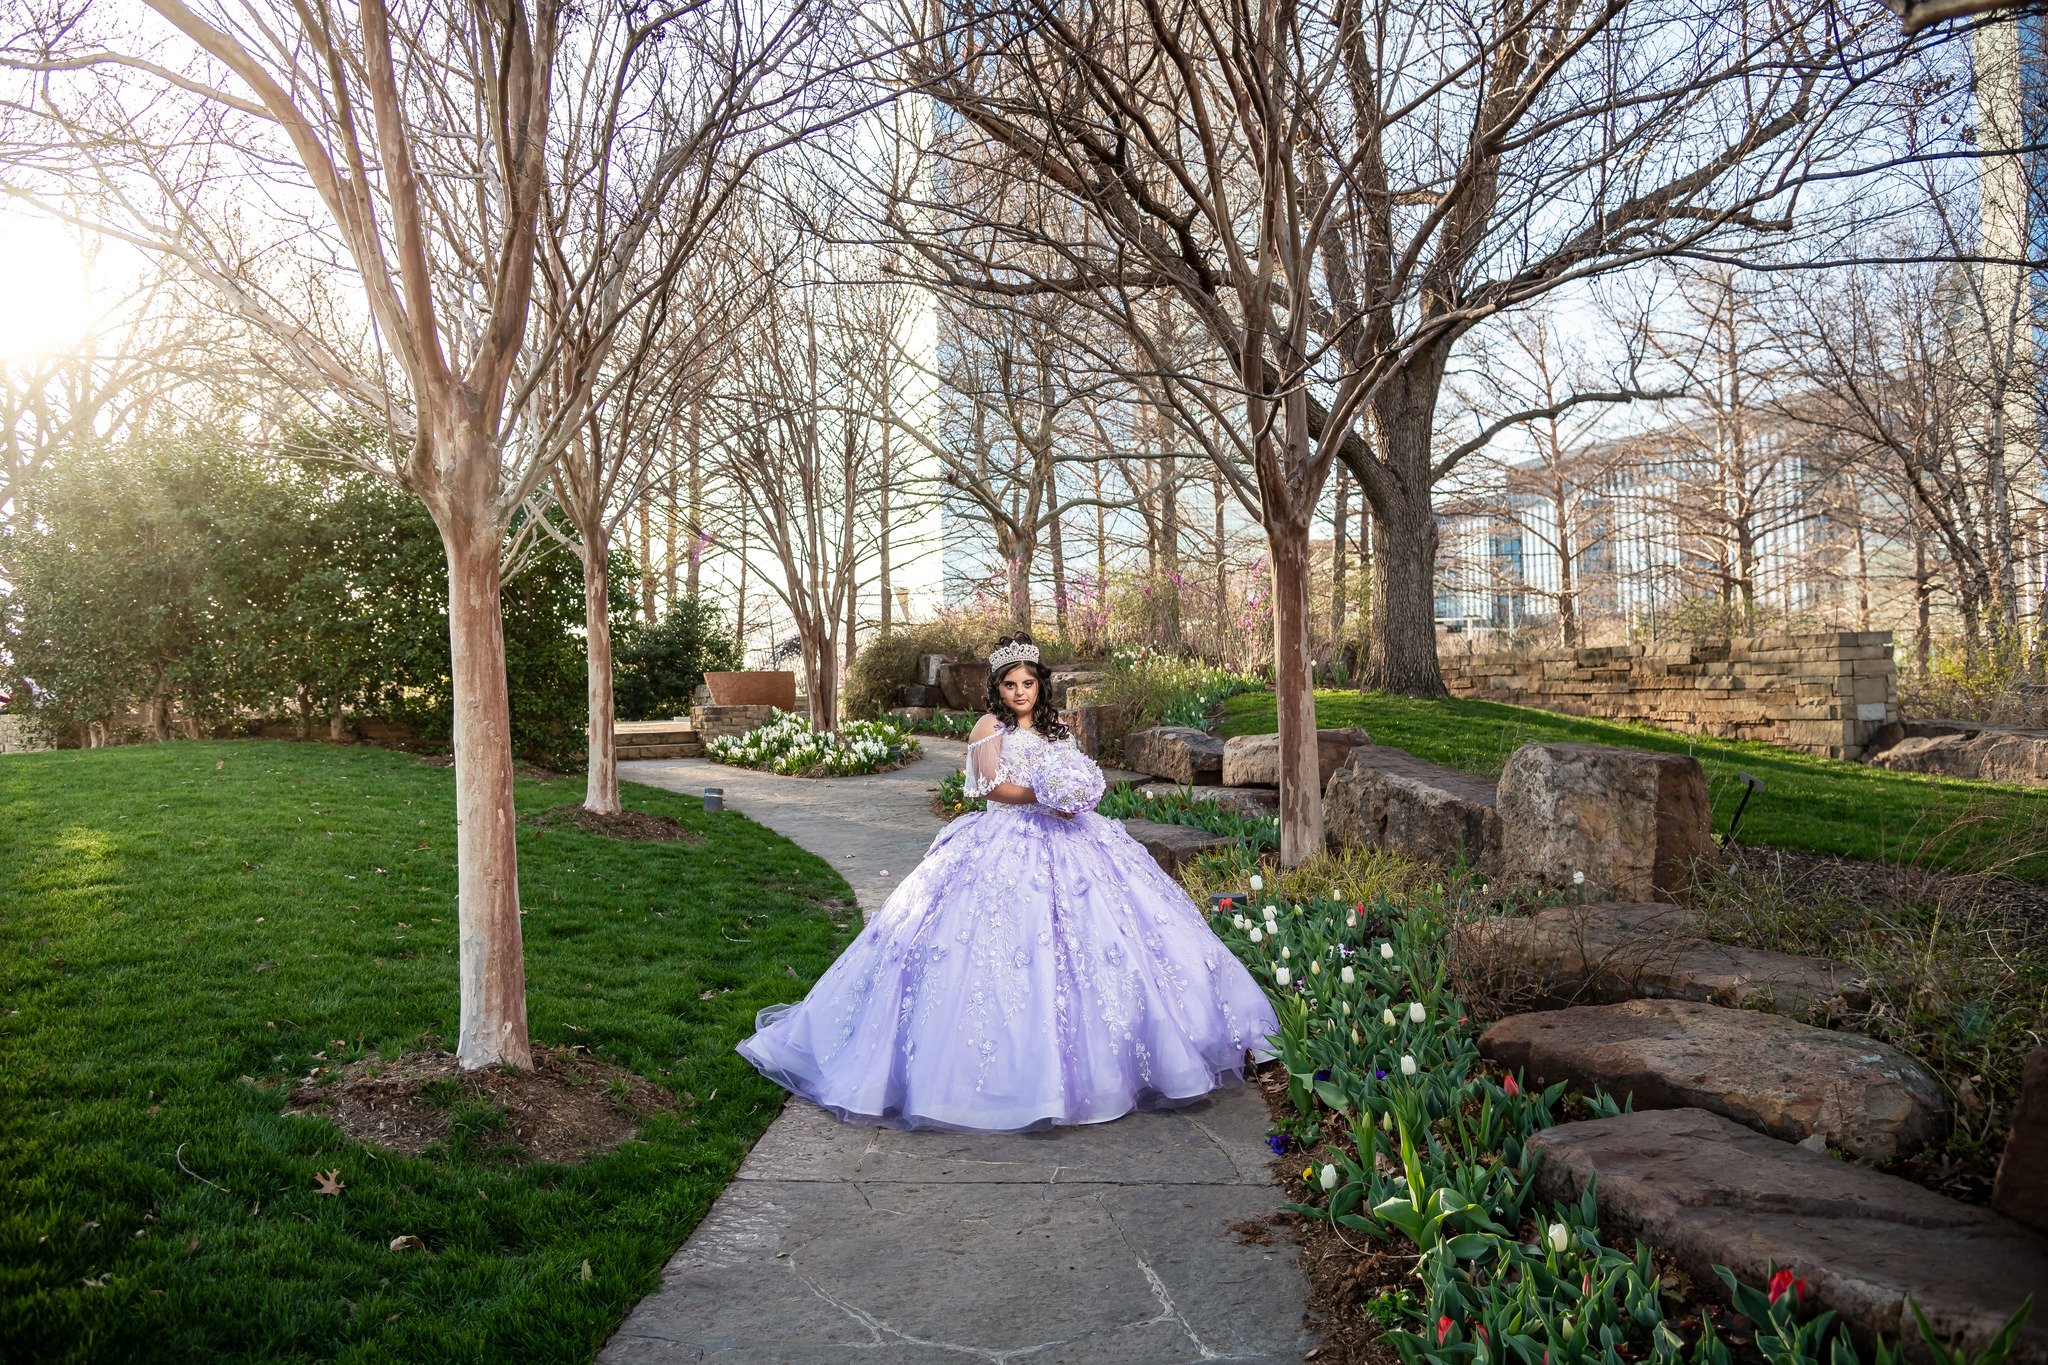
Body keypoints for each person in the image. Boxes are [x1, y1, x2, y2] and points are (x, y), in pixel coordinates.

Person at [736, 634, 1278, 1132]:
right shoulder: (987, 730)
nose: (1020, 692)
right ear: (996, 688)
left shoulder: (1058, 728)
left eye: (1028, 683)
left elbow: (1080, 775)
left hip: (1075, 836)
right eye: (1009, 684)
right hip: (1006, 836)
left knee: (1126, 933)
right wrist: (1045, 795)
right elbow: (991, 788)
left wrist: (1077, 796)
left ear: (1040, 684)